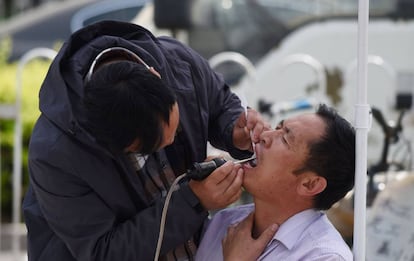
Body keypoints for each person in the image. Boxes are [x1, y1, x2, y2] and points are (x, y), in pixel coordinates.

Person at [22, 20, 269, 261]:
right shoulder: (56, 152)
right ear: (110, 143)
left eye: (176, 127)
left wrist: (233, 128)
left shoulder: (178, 62)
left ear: (155, 74)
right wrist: (194, 200)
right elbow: (101, 252)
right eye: (153, 148)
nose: (173, 143)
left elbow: (220, 104)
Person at [195, 104, 356, 261]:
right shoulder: (224, 222)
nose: (264, 136)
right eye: (277, 128)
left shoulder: (325, 256)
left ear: (310, 184)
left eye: (285, 139)